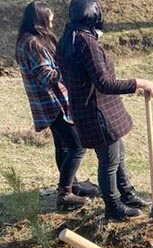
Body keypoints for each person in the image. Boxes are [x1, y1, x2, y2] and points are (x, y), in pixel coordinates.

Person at [56, 0, 153, 220]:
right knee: (109, 161)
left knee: (117, 154)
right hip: (97, 112)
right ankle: (113, 206)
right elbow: (104, 83)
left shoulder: (67, 38)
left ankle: (127, 193)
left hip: (88, 109)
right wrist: (139, 82)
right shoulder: (85, 42)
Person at [15, 1, 99, 211]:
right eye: (49, 20)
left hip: (48, 103)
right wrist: (70, 69)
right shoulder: (33, 44)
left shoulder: (29, 41)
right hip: (52, 103)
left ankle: (73, 184)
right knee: (77, 147)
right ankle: (65, 193)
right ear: (40, 20)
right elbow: (46, 75)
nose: (52, 24)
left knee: (63, 146)